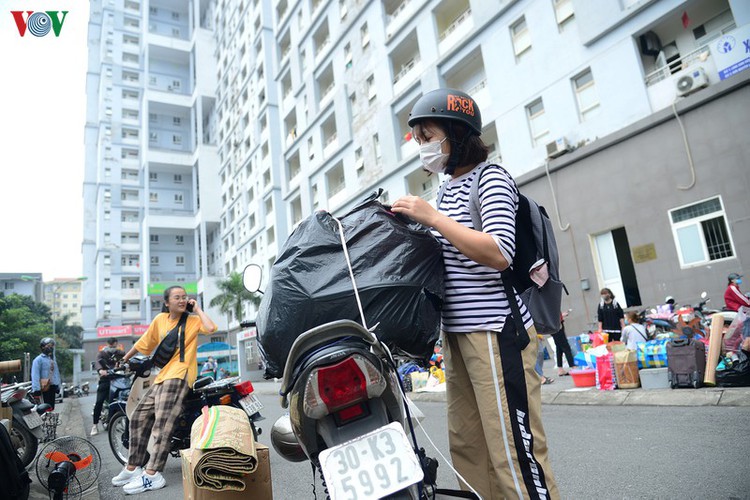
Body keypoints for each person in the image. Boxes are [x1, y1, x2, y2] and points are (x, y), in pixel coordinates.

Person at [391, 88, 559, 499]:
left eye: (428, 135)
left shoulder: (491, 177)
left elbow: (499, 252)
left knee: (512, 451)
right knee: (469, 448)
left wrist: (432, 217)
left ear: (456, 132)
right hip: (458, 333)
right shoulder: (446, 190)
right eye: (419, 138)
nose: (422, 146)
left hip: (496, 329)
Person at [112, 286, 217, 494]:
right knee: (138, 417)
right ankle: (133, 467)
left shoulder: (193, 321)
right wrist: (124, 359)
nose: (182, 300)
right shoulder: (160, 320)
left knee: (163, 423)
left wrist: (197, 308)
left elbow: (211, 328)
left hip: (180, 375)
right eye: (177, 297)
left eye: (184, 297)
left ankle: (153, 474)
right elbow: (144, 343)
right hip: (161, 377)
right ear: (167, 302)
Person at [91, 337, 124, 436]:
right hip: (105, 379)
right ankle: (94, 425)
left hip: (117, 379)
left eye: (114, 344)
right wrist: (101, 370)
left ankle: (116, 421)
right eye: (112, 344)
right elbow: (97, 363)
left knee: (121, 399)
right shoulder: (102, 353)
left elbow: (126, 359)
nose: (113, 346)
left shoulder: (119, 353)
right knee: (99, 402)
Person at [31, 338, 61, 410]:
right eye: (48, 345)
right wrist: (36, 390)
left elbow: (56, 373)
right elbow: (35, 375)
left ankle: (49, 421)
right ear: (42, 347)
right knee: (44, 408)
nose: (50, 347)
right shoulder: (38, 360)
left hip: (52, 387)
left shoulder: (52, 360)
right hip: (43, 388)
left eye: (52, 345)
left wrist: (57, 385)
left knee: (51, 408)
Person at [551, 310, 575, 377]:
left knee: (559, 347)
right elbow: (552, 314)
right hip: (556, 325)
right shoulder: (549, 302)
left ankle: (560, 369)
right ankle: (573, 366)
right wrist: (561, 315)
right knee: (565, 346)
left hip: (553, 325)